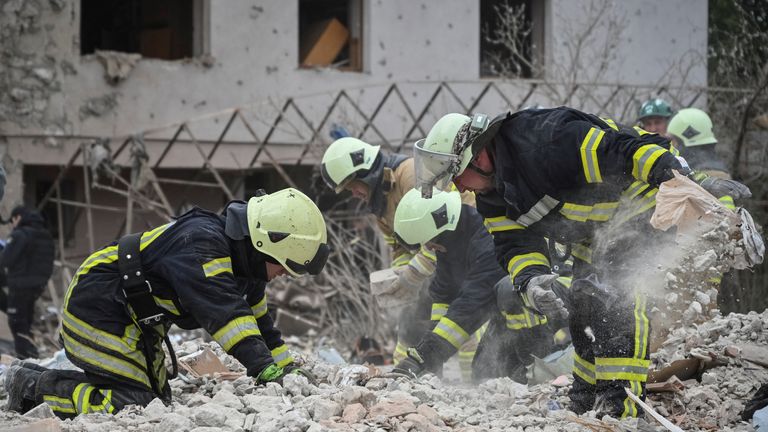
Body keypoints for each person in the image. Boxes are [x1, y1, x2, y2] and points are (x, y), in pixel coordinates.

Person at [412, 108, 750, 417]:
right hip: (593, 232)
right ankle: (588, 398)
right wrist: (533, 279)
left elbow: (621, 150)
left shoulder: (546, 142)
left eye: (455, 176)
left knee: (619, 300)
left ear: (479, 157)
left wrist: (686, 181)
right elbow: (513, 243)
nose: (456, 188)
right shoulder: (492, 196)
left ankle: (621, 404)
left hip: (641, 198)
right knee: (585, 307)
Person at [5, 188, 329, 418]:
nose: (285, 274)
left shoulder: (248, 268)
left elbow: (259, 323)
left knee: (159, 398)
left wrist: (285, 369)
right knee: (137, 402)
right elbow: (228, 317)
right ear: (263, 245)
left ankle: (30, 374)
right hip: (97, 305)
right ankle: (35, 386)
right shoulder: (204, 244)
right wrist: (264, 370)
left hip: (130, 315)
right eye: (285, 266)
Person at [320, 138, 479, 375]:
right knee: (409, 324)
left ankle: (476, 382)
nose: (354, 194)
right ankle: (410, 382)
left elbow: (442, 229)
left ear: (365, 173)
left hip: (468, 250)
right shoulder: (379, 204)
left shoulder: (411, 176)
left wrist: (412, 276)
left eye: (353, 186)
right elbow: (400, 248)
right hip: (440, 262)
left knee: (464, 324)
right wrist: (398, 280)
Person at [391, 188, 563, 383]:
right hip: (512, 311)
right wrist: (431, 361)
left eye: (430, 241)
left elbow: (471, 306)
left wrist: (421, 359)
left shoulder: (487, 237)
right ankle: (528, 372)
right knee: (484, 375)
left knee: (510, 289)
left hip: (554, 296)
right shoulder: (453, 242)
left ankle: (542, 366)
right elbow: (444, 295)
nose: (429, 248)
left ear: (443, 225)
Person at [0, 206, 55, 359]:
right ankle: (32, 356)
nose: (12, 224)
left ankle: (23, 359)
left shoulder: (20, 235)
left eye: (12, 220)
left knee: (17, 323)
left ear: (18, 217)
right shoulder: (44, 235)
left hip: (20, 286)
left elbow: (6, 260)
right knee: (25, 322)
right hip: (37, 287)